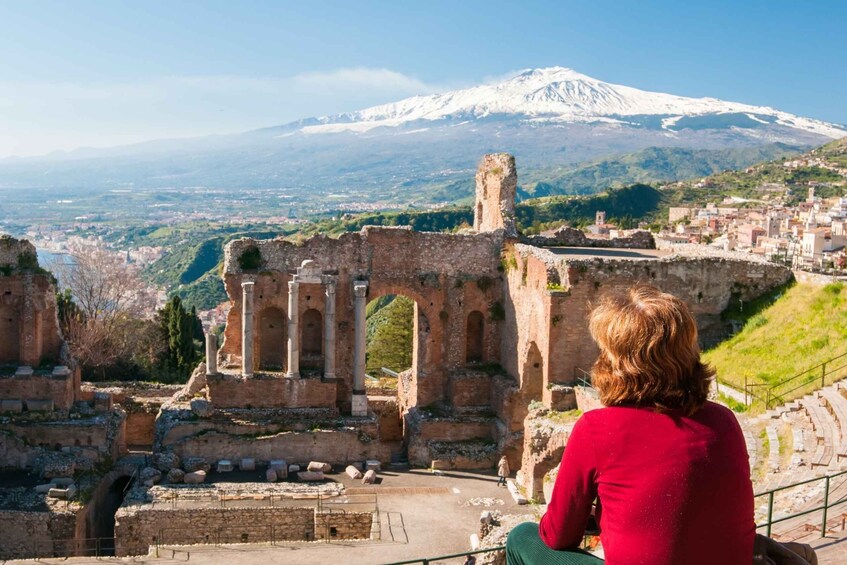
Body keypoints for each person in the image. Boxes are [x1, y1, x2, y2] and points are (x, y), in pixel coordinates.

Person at [506, 286, 816, 565]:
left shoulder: (597, 429)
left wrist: (597, 517)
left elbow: (557, 535)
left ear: (614, 360)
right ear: (690, 353)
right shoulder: (724, 422)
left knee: (521, 537)